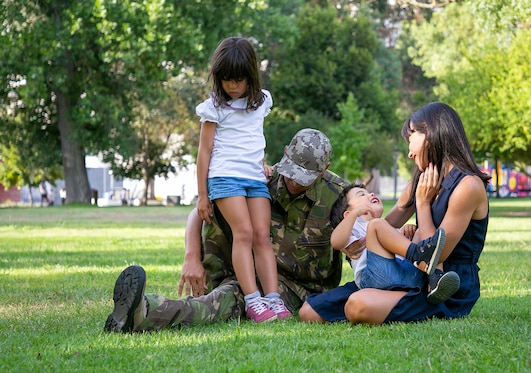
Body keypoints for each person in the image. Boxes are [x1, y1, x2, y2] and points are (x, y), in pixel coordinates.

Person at [104, 128, 347, 333]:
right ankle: (138, 311)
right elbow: (200, 211)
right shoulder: (261, 180)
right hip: (249, 273)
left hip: (301, 289)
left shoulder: (340, 196)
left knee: (224, 301)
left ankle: (145, 311)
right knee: (227, 292)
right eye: (292, 171)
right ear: (285, 153)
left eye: (304, 178)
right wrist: (191, 257)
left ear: (324, 169)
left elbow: (366, 237)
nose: (294, 181)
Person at [299, 102, 491, 324]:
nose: (409, 153)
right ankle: (385, 296)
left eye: (411, 140)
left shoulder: (468, 186)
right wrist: (357, 243)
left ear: (430, 131)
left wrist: (422, 203)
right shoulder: (421, 179)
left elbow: (437, 256)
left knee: (357, 305)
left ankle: (389, 300)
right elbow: (383, 226)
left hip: (443, 284)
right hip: (406, 273)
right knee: (309, 312)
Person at [195, 37, 280, 322]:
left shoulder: (262, 101)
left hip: (254, 178)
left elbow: (253, 138)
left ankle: (274, 299)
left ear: (251, 77)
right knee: (242, 233)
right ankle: (253, 301)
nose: (232, 85)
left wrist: (262, 163)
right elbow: (204, 152)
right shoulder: (214, 107)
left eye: (239, 79)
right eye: (226, 79)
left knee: (261, 236)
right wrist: (203, 195)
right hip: (224, 177)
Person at [330, 184, 459, 303]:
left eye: (368, 192)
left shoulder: (387, 229)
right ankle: (421, 256)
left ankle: (434, 280)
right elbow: (335, 242)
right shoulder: (354, 227)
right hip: (375, 281)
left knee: (420, 232)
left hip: (408, 278)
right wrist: (354, 214)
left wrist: (409, 233)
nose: (371, 194)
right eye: (361, 194)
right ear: (347, 213)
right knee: (377, 224)